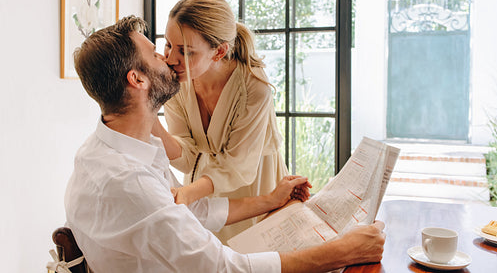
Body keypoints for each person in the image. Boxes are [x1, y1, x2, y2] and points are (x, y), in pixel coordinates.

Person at [66, 15, 386, 273]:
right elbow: (222, 268)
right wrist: (344, 251)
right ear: (137, 80)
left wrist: (270, 199)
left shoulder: (111, 150)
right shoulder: (128, 179)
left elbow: (190, 211)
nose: (168, 60)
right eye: (156, 53)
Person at [152, 0, 289, 243]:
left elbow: (236, 166)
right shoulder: (176, 82)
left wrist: (185, 195)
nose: (171, 59)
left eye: (186, 52)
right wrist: (150, 119)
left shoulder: (253, 87)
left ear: (219, 51)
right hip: (202, 188)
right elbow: (188, 158)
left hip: (255, 185)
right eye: (168, 44)